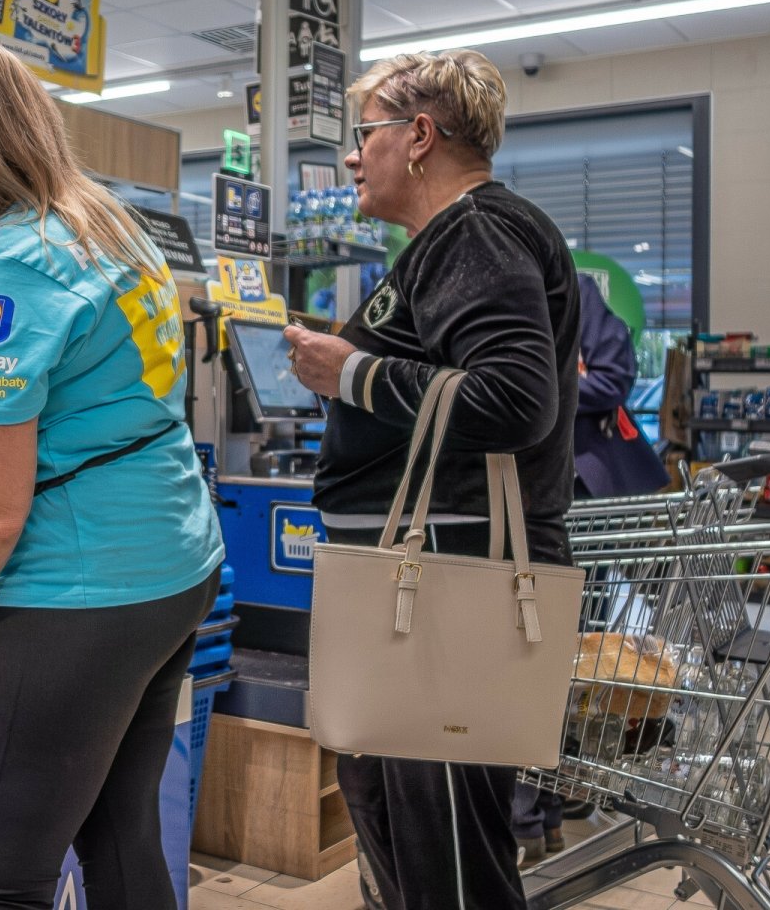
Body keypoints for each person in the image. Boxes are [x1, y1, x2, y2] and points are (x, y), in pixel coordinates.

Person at [0, 38, 224, 910]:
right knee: (119, 834)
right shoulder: (105, 223)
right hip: (172, 565)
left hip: (82, 588)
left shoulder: (8, 267)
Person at [283, 48, 580, 910]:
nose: (350, 156)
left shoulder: (475, 231)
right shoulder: (450, 242)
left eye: (362, 134)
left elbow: (517, 398)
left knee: (449, 863)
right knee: (406, 842)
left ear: (418, 137)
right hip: (423, 580)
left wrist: (353, 375)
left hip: (452, 583)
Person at [572, 273, 670, 499]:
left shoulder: (573, 290)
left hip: (590, 473)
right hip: (514, 478)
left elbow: (612, 378)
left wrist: (539, 391)